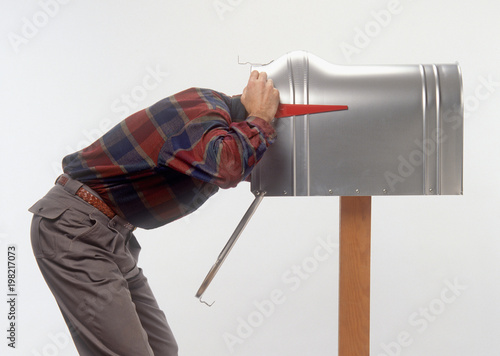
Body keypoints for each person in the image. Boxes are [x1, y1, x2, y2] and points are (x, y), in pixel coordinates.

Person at [29, 70, 280, 355]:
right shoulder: (204, 109)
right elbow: (228, 166)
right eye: (266, 129)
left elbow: (242, 164)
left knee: (163, 350)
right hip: (74, 226)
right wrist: (261, 116)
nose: (264, 137)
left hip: (110, 232)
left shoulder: (218, 133)